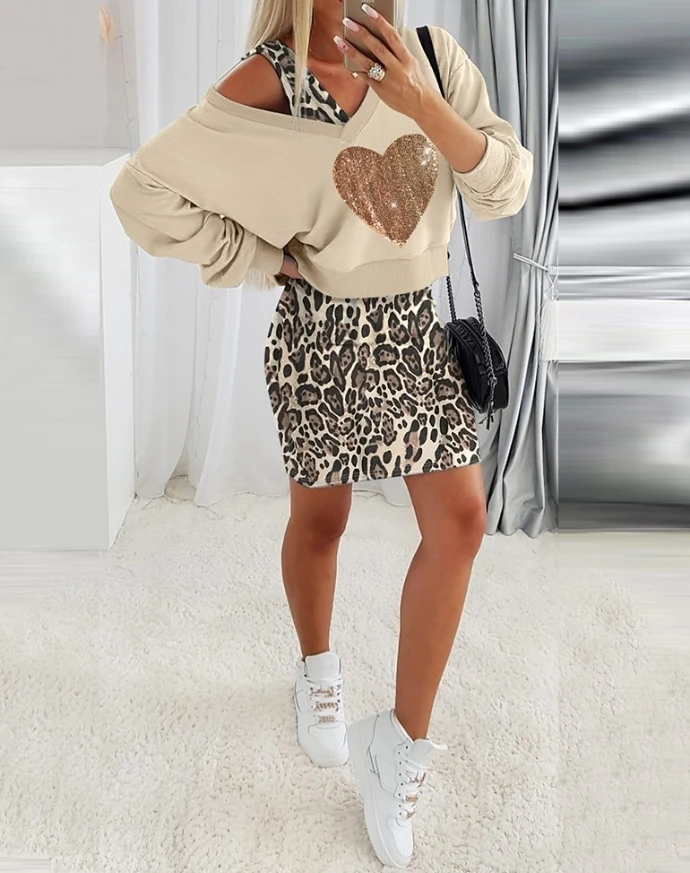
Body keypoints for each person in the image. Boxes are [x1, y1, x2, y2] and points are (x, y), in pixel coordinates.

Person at [110, 0, 533, 866]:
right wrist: (261, 257)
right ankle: (317, 671)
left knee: (459, 525)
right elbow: (141, 191)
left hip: (414, 332)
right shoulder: (272, 79)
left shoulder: (432, 59)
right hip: (322, 338)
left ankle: (399, 747)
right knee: (322, 520)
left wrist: (423, 107)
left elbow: (504, 187)